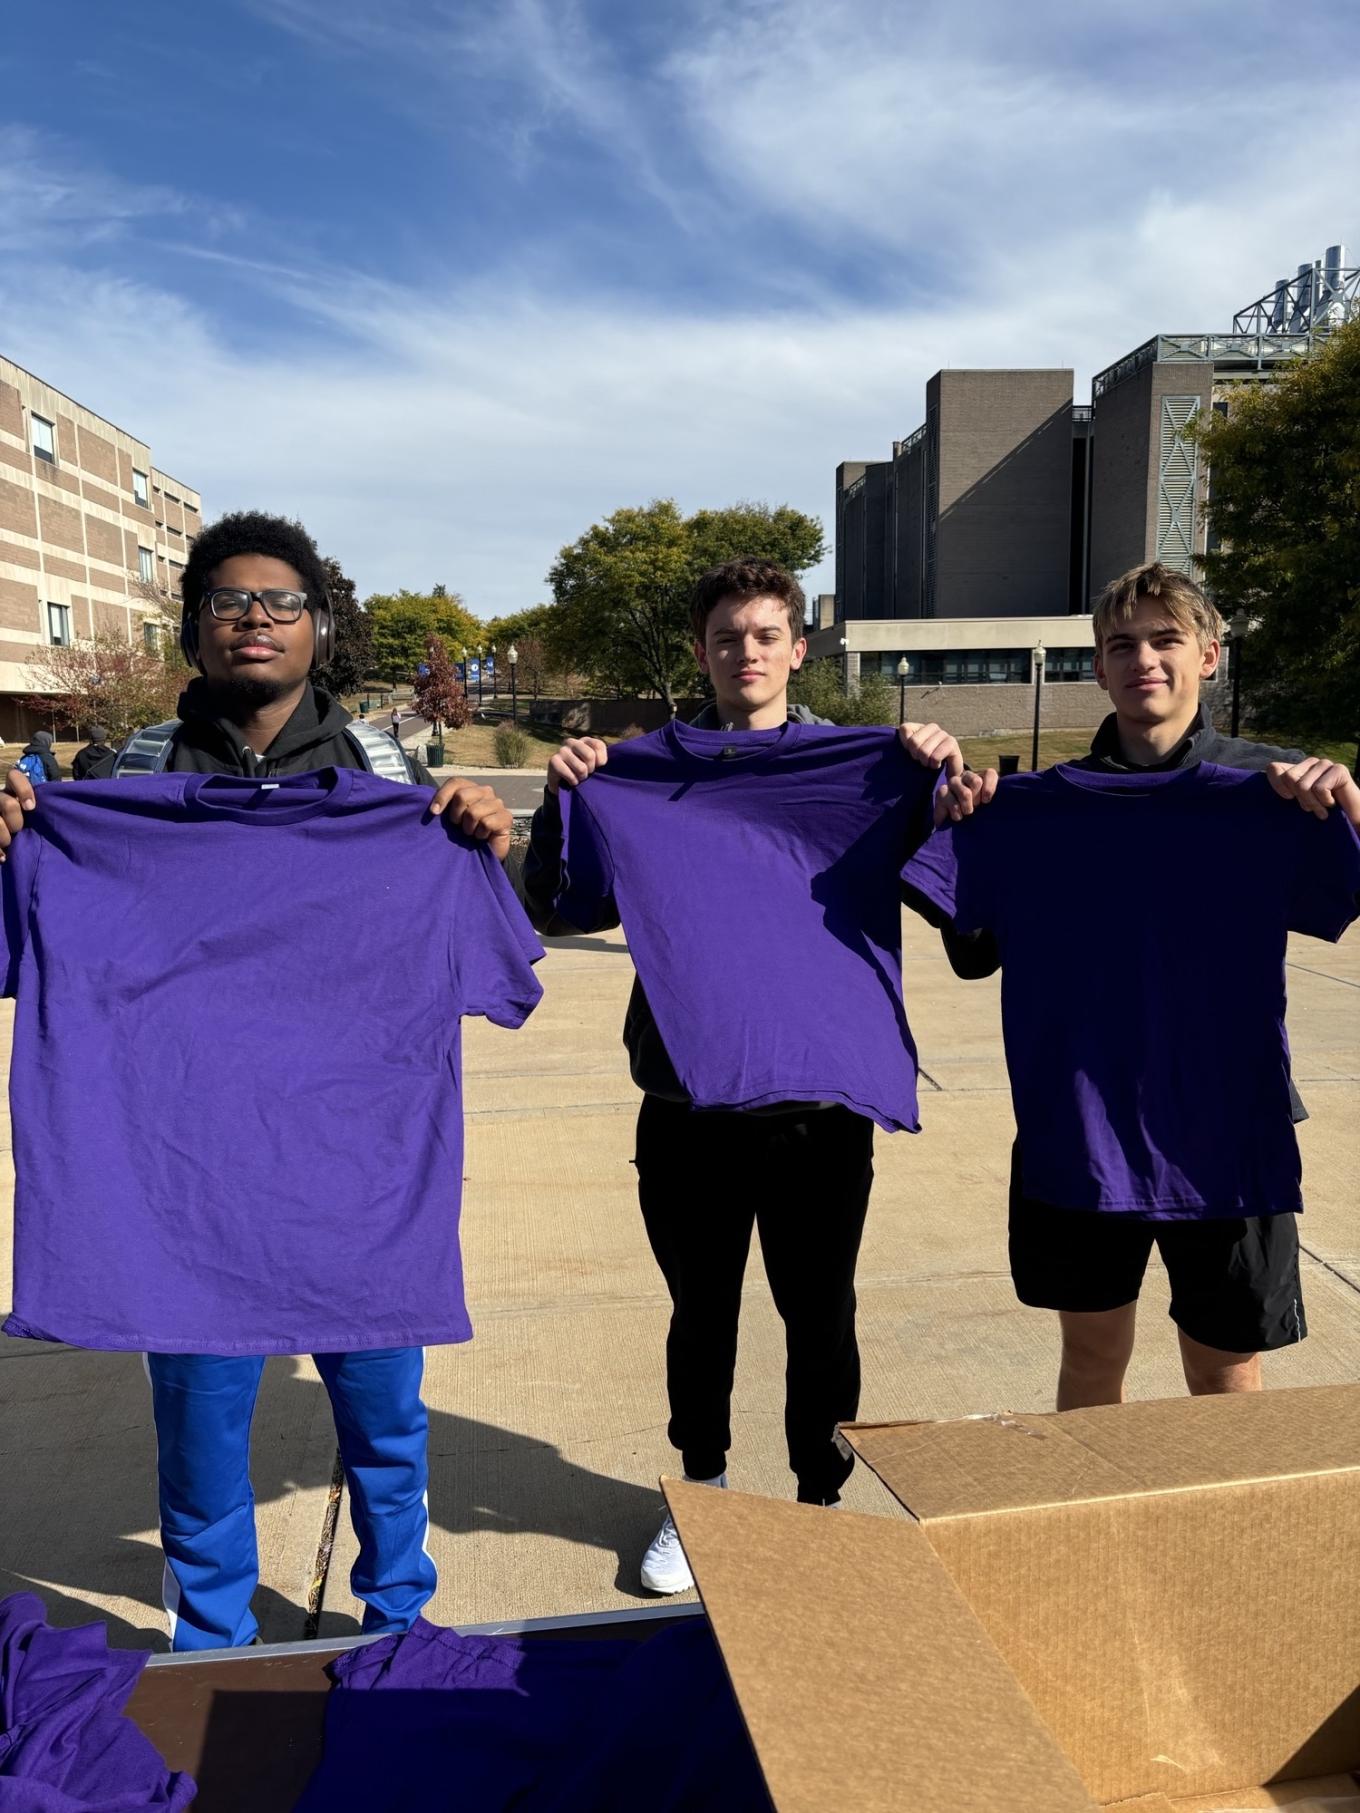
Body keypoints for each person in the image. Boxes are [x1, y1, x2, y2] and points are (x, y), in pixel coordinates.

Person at [3, 509, 517, 1649]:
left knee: (385, 1415)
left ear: (317, 627)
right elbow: (35, 947)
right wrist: (19, 845)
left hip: (356, 1164)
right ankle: (213, 1635)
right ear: (194, 629)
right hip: (182, 1174)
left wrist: (488, 844)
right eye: (228, 600)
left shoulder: (390, 778)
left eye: (280, 601)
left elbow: (516, 946)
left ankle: (398, 1621)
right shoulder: (130, 775)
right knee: (196, 1429)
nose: (254, 618)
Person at [520, 556, 988, 1594]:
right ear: (702, 651)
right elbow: (566, 907)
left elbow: (963, 910)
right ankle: (704, 1490)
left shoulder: (866, 769)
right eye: (727, 635)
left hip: (817, 1103)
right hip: (685, 1098)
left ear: (797, 649)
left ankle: (820, 1498)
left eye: (766, 634)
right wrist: (565, 799)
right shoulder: (640, 772)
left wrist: (942, 782)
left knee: (820, 1312)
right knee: (704, 1311)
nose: (747, 651)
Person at [905, 560, 1360, 1412]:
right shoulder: (1031, 811)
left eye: (1166, 639)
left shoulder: (1275, 795)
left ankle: (1219, 1545)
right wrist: (967, 825)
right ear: (1100, 666)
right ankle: (1091, 1537)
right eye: (1121, 644)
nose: (1144, 658)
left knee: (1227, 1377)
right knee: (1090, 1359)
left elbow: (1344, 897)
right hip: (1080, 1127)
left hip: (1227, 1130)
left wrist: (1350, 809)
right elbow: (975, 953)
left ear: (1211, 655)